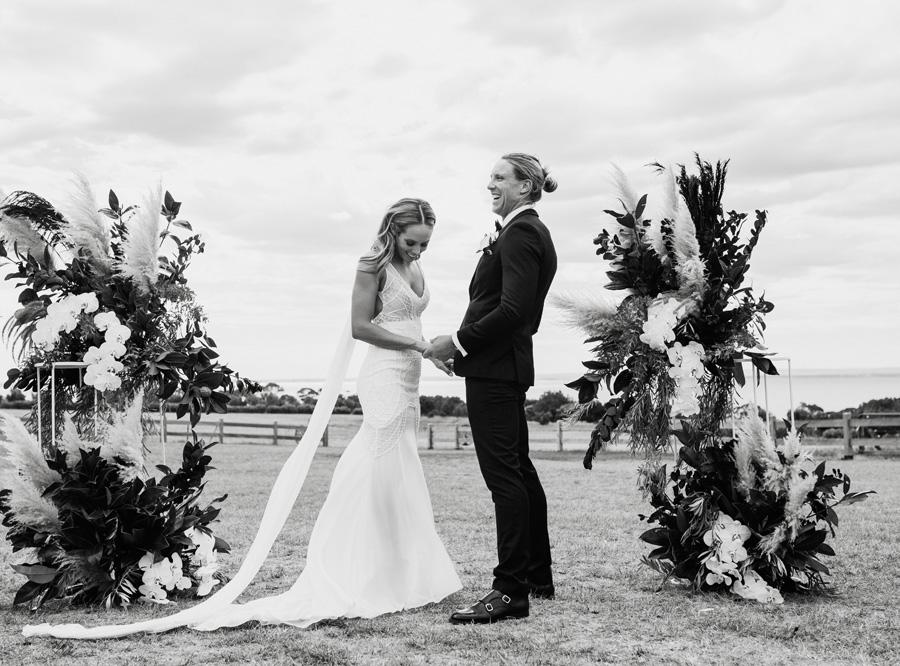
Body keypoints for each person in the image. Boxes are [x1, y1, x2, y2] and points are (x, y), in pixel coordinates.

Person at [22, 198, 461, 639]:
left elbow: (407, 324)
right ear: (392, 230)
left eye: (425, 244)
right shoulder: (371, 265)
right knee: (375, 464)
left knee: (402, 464)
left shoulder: (414, 266)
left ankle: (402, 568)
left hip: (410, 378)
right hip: (384, 376)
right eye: (412, 242)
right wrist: (423, 347)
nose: (419, 251)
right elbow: (360, 327)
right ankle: (357, 565)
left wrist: (432, 355)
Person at [426, 153, 558, 624]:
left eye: (500, 178)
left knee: (504, 478)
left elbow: (514, 311)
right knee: (519, 473)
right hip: (501, 367)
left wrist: (456, 342)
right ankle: (537, 577)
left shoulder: (522, 233)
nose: (491, 185)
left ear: (525, 187)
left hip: (496, 372)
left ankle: (509, 591)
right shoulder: (525, 231)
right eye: (491, 178)